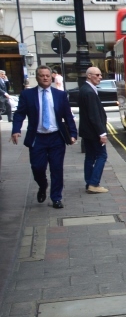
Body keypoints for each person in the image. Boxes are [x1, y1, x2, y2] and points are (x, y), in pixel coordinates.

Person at [10, 66, 78, 209]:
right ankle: (42, 185)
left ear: (51, 77)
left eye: (47, 75)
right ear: (37, 77)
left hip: (56, 137)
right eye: (42, 75)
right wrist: (16, 130)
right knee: (37, 167)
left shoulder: (60, 95)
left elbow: (68, 116)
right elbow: (20, 113)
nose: (45, 78)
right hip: (37, 138)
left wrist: (72, 133)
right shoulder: (27, 95)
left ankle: (56, 198)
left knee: (57, 169)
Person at [78, 67, 109, 194]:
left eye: (101, 74)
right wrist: (102, 133)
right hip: (93, 132)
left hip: (87, 132)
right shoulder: (89, 92)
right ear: (89, 76)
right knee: (102, 156)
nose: (100, 77)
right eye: (97, 75)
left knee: (90, 157)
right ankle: (94, 183)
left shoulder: (85, 89)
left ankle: (89, 182)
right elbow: (94, 115)